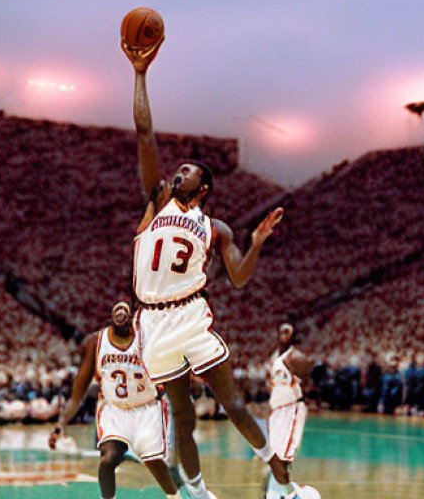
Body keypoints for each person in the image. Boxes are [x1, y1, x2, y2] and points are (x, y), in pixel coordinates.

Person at [123, 39, 302, 499]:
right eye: (177, 169)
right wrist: (140, 75)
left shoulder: (216, 227)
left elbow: (239, 278)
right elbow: (145, 135)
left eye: (187, 170)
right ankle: (197, 493)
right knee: (183, 418)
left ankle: (283, 481)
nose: (177, 173)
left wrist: (258, 242)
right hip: (153, 322)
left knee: (236, 403)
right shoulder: (156, 203)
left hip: (189, 315)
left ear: (203, 186)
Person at [49, 301, 182, 499]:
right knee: (108, 459)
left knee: (152, 459)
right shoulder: (95, 343)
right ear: (111, 321)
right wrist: (61, 424)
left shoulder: (150, 339)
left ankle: (173, 496)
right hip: (114, 409)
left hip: (147, 407)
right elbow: (77, 395)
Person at [265, 323, 314, 499]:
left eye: (288, 332)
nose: (283, 335)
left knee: (285, 455)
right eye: (281, 331)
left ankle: (287, 493)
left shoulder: (295, 356)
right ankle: (279, 490)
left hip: (291, 409)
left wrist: (301, 396)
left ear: (293, 335)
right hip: (277, 410)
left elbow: (310, 379)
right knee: (275, 453)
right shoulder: (274, 357)